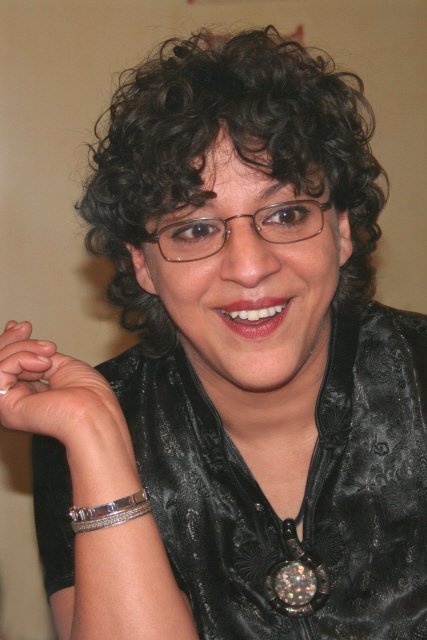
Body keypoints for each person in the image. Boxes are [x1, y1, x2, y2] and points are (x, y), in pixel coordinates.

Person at [0, 25, 426, 640]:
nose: (249, 267)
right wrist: (94, 437)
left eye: (286, 214)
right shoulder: (86, 431)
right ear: (143, 264)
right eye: (195, 229)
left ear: (341, 233)